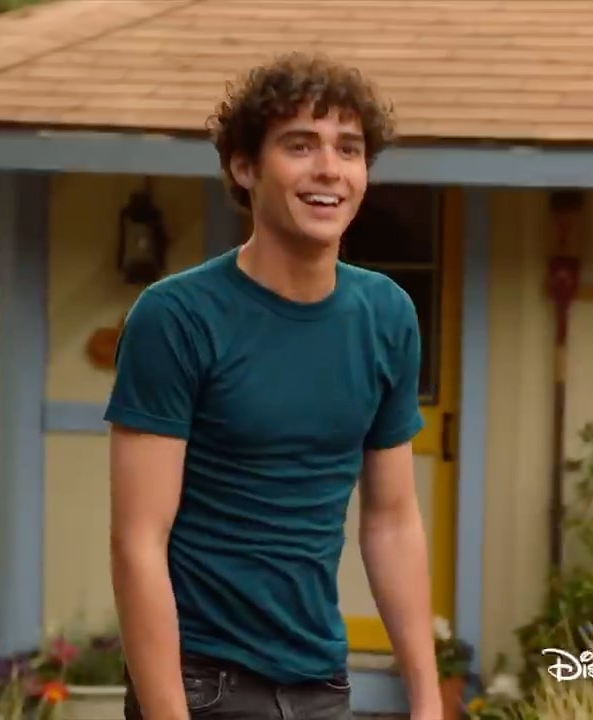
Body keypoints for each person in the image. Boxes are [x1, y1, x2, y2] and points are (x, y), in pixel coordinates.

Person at [105, 51, 442, 720]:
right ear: (244, 166)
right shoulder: (176, 318)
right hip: (202, 684)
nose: (330, 169)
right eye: (300, 145)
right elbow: (137, 541)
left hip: (321, 685)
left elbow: (392, 520)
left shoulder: (387, 316)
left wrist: (428, 700)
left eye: (349, 149)